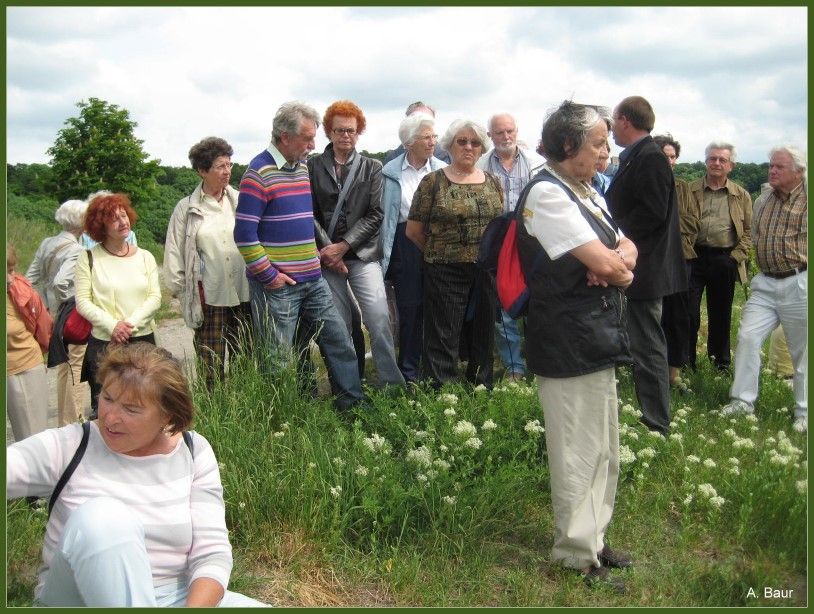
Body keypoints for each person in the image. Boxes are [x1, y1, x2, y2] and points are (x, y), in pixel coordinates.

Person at [6, 342, 267, 607]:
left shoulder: (193, 450)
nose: (110, 418)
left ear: (167, 416)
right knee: (103, 520)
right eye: (107, 398)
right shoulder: (71, 445)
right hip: (79, 598)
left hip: (174, 596)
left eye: (131, 409)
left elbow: (212, 555)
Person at [517, 101, 636, 592]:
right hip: (566, 338)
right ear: (568, 146)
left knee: (604, 447)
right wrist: (613, 266)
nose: (604, 151)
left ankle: (595, 537)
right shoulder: (547, 194)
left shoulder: (584, 192)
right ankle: (576, 553)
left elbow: (626, 249)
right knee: (577, 451)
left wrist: (615, 264)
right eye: (596, 143)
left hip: (595, 333)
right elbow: (611, 265)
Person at [234, 101, 363, 411]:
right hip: (279, 286)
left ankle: (353, 407)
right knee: (278, 358)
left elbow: (304, 221)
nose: (313, 145)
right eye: (307, 138)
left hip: (312, 279)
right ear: (284, 136)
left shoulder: (301, 167)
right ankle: (281, 419)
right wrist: (270, 276)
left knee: (338, 341)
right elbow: (244, 235)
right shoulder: (258, 173)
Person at [605, 96, 687, 435]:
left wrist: (614, 235)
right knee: (642, 342)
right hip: (641, 267)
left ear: (625, 120)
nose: (611, 131)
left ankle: (657, 422)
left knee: (648, 345)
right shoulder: (641, 156)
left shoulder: (650, 158)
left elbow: (652, 214)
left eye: (613, 123)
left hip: (646, 269)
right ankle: (653, 416)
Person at [308, 101, 404, 387]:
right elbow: (309, 213)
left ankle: (391, 383)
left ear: (359, 131)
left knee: (378, 317)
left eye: (350, 130)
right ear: (329, 132)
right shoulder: (312, 166)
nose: (345, 136)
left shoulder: (372, 167)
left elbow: (376, 214)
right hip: (327, 258)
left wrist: (344, 246)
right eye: (339, 130)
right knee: (340, 323)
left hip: (362, 255)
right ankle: (350, 385)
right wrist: (330, 251)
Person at [406, 119, 503, 388]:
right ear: (449, 145)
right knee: (443, 334)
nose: (468, 147)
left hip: (485, 269)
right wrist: (439, 254)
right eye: (462, 141)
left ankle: (481, 385)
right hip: (444, 268)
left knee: (484, 331)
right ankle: (441, 391)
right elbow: (413, 231)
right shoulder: (432, 182)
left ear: (482, 148)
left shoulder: (493, 182)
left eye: (475, 142)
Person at [723, 146, 807, 433]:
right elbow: (756, 235)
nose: (771, 171)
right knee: (747, 337)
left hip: (799, 281)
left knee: (802, 350)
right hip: (766, 283)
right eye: (771, 166)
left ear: (798, 171)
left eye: (779, 167)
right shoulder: (763, 199)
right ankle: (742, 402)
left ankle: (803, 411)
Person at [164, 137, 251, 390]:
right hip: (210, 296)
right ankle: (215, 412)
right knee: (209, 362)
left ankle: (246, 409)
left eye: (229, 165)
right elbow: (173, 252)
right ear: (202, 170)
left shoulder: (239, 200)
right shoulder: (187, 208)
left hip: (244, 292)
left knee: (244, 358)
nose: (227, 172)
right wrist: (183, 291)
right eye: (220, 166)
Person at [74, 192, 161, 417]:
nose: (123, 222)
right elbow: (83, 301)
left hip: (142, 340)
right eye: (114, 218)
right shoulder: (88, 258)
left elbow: (155, 297)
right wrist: (113, 326)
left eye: (124, 215)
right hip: (105, 344)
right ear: (101, 225)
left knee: (146, 404)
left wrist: (128, 325)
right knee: (107, 408)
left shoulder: (146, 257)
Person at [476, 113, 546, 382]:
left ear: (517, 131)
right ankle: (513, 366)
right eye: (500, 132)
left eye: (510, 131)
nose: (506, 137)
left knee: (537, 302)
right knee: (502, 304)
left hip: (532, 238)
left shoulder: (537, 163)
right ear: (490, 135)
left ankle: (539, 363)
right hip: (497, 240)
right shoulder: (482, 164)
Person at [381, 113, 448, 383]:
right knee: (410, 308)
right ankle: (409, 373)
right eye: (426, 137)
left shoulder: (443, 169)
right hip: (404, 243)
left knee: (439, 307)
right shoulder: (389, 172)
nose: (433, 142)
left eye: (434, 136)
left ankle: (438, 369)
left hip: (439, 240)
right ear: (409, 142)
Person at [687, 142, 752, 371]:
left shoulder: (740, 195)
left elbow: (749, 232)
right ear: (705, 162)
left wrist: (734, 257)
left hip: (724, 259)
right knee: (688, 313)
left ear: (731, 165)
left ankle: (720, 365)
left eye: (721, 160)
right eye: (712, 158)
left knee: (721, 315)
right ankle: (685, 364)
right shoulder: (689, 190)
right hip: (693, 258)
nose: (716, 163)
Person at [26, 198, 91, 424]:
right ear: (82, 222)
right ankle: (75, 420)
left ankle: (64, 422)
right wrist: (69, 303)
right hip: (73, 314)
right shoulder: (77, 250)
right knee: (77, 366)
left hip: (53, 315)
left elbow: (29, 279)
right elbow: (61, 282)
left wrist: (46, 307)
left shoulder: (46, 243)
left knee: (64, 367)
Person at [653, 133, 698, 388]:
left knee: (679, 316)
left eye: (672, 157)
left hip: (681, 259)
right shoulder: (647, 183)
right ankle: (651, 368)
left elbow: (693, 222)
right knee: (653, 317)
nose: (668, 161)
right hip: (653, 262)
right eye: (663, 156)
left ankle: (674, 373)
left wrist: (667, 227)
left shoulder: (683, 187)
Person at [7, 245, 51, 442]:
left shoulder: (19, 290)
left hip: (21, 367)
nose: (10, 278)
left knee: (31, 438)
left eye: (11, 270)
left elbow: (43, 326)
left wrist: (41, 356)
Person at [383, 101, 451, 164]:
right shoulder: (392, 159)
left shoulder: (450, 157)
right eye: (415, 120)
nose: (422, 123)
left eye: (426, 120)